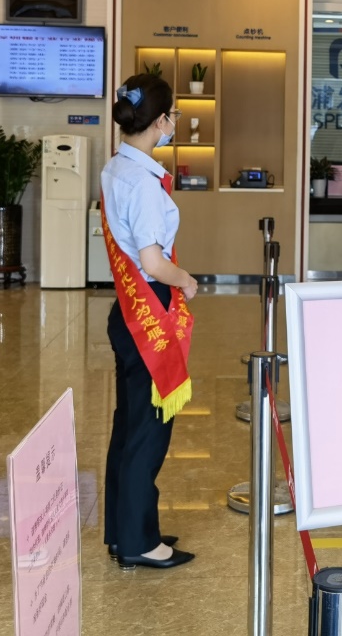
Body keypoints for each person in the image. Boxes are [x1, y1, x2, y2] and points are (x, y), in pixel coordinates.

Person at [101, 73, 199, 571]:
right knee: (147, 431)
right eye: (173, 114)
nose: (175, 121)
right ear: (160, 120)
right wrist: (186, 281)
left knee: (129, 425)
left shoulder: (117, 166)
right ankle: (140, 542)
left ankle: (124, 530)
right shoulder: (142, 182)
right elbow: (153, 261)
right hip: (149, 310)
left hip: (127, 308)